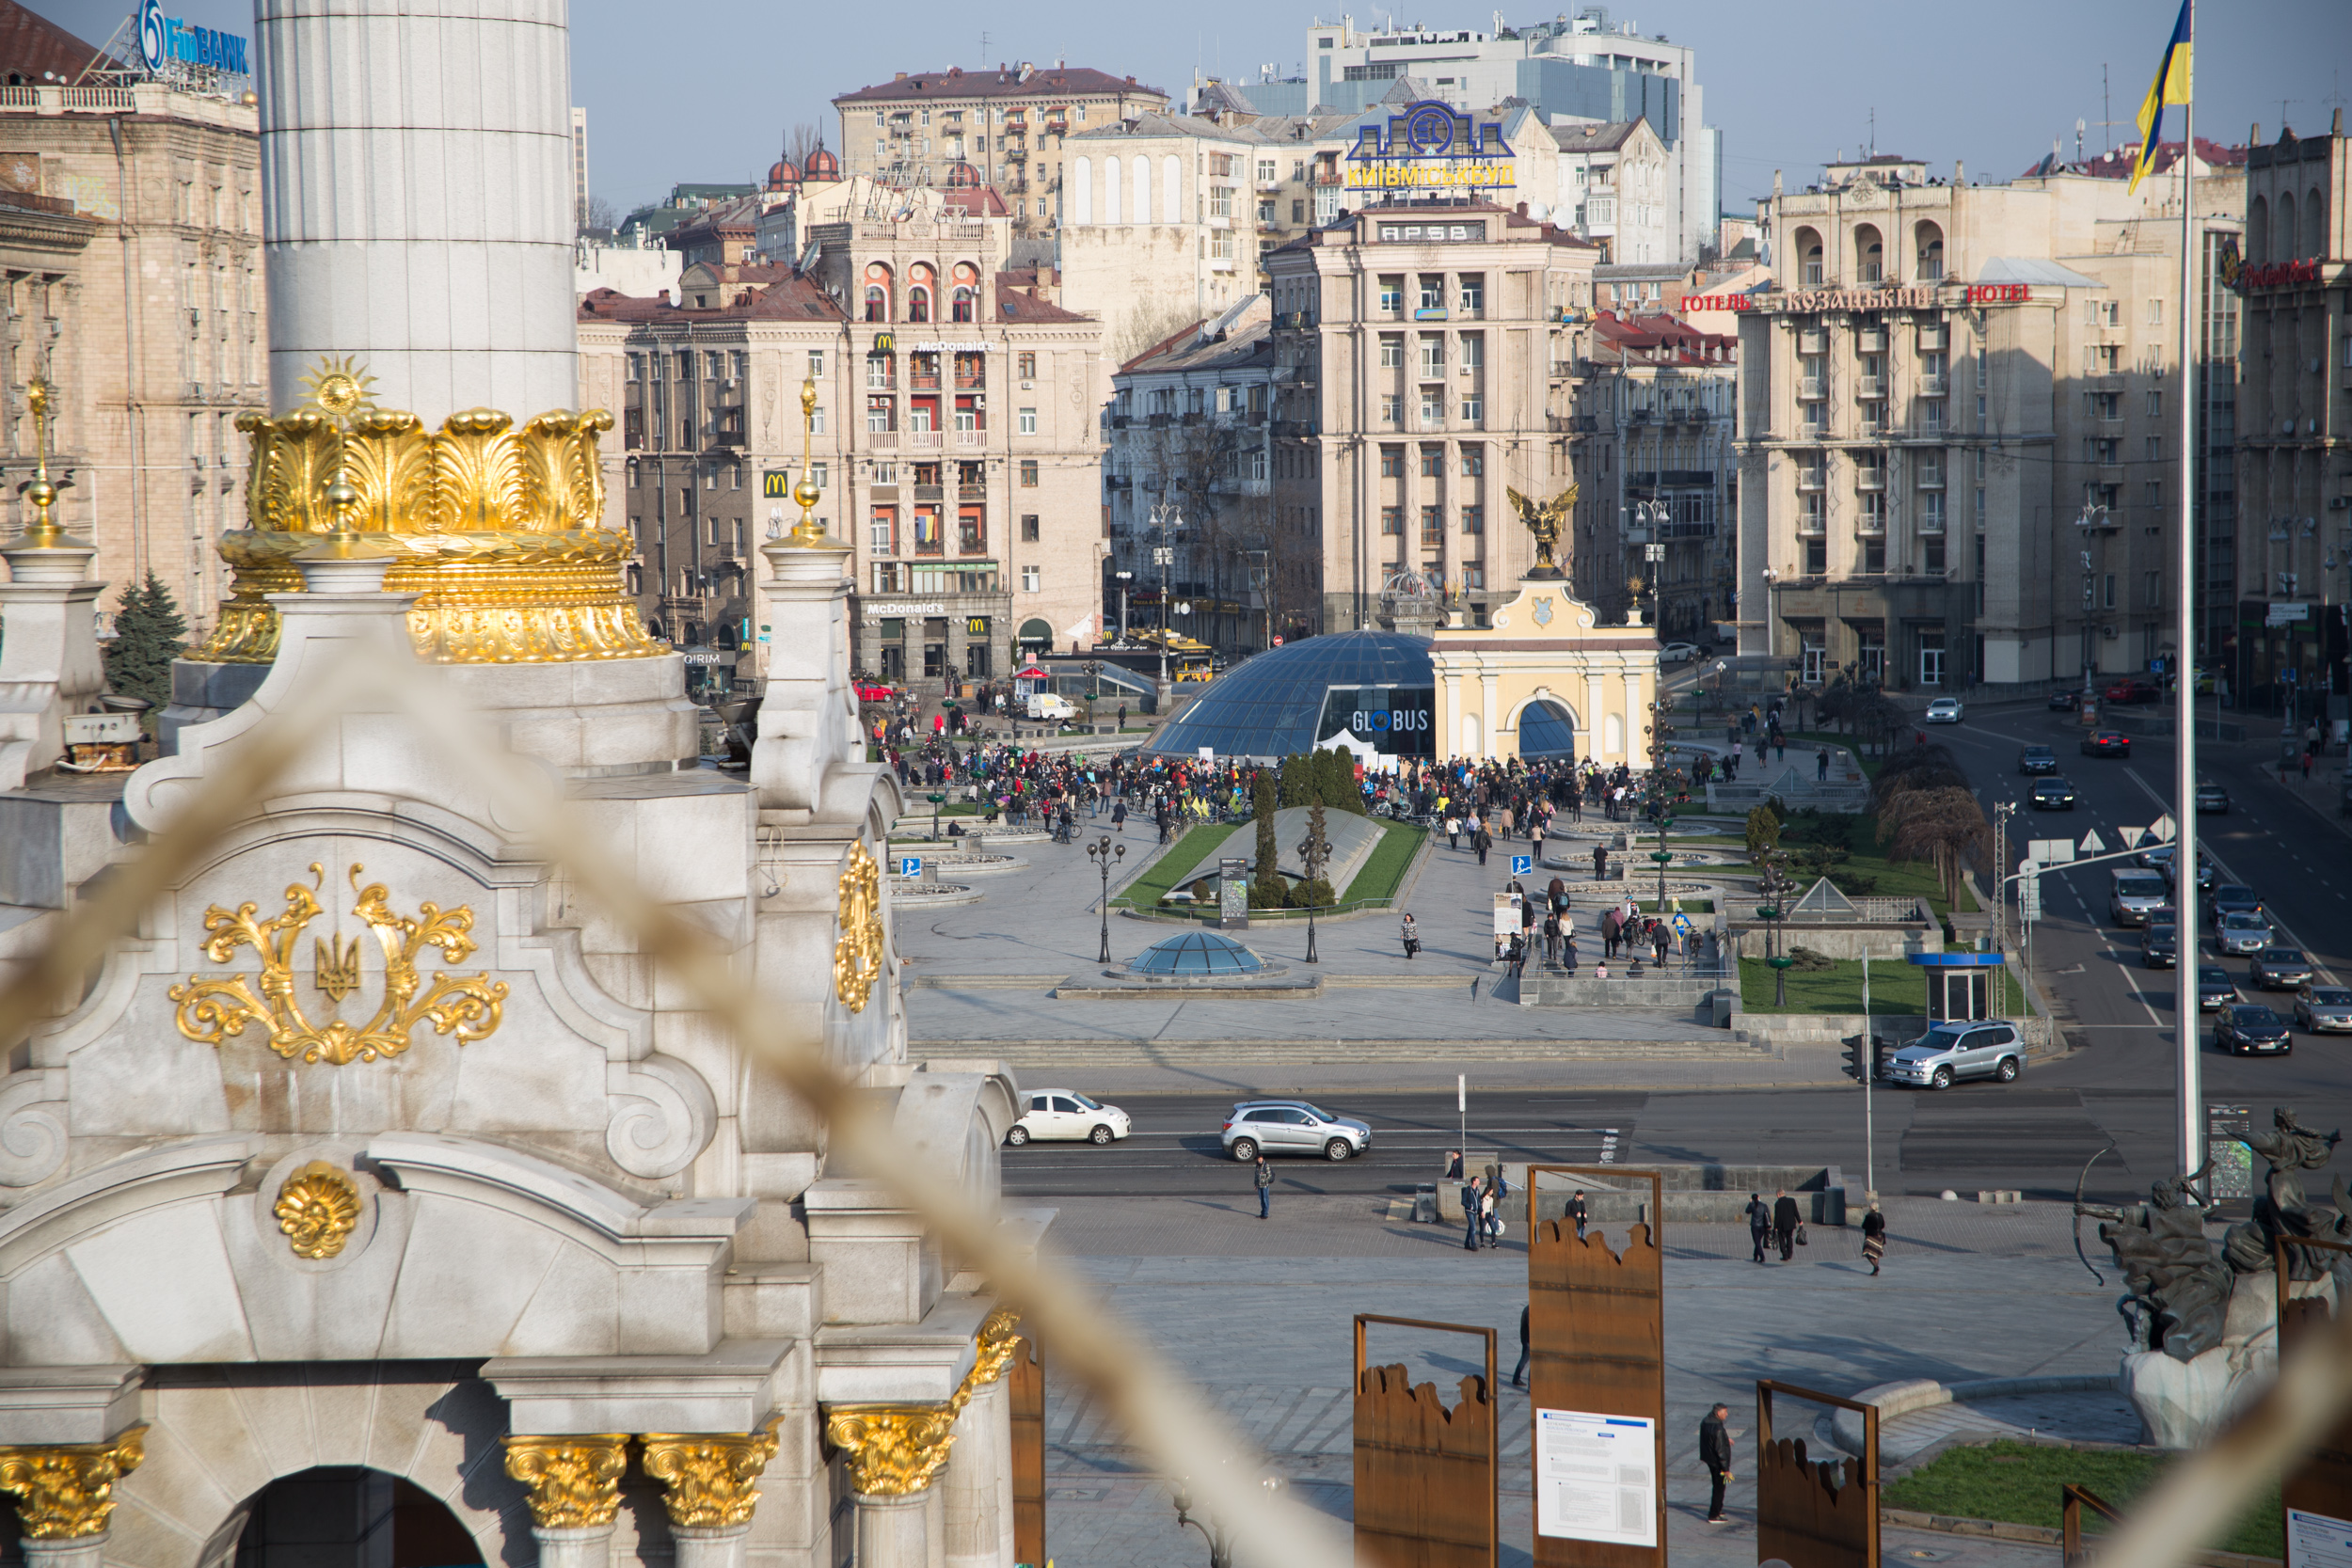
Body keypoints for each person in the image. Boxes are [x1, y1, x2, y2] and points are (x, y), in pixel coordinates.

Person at [1701, 1403, 1734, 1523]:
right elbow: (1721, 1451)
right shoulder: (1718, 1428)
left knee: (1717, 1486)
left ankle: (1717, 1508)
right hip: (1717, 1462)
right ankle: (1714, 1514)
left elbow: (1711, 1437)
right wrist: (1726, 1469)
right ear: (1718, 1413)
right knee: (1719, 1488)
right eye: (1725, 1412)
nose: (1727, 1414)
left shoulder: (1706, 1421)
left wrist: (1725, 1438)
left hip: (1709, 1459)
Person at [1772, 1188, 1801, 1261]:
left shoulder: (1778, 1204)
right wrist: (1800, 1221)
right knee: (1789, 1238)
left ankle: (1785, 1255)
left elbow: (1777, 1217)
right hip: (1791, 1224)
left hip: (1782, 1225)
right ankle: (1790, 1253)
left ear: (1778, 1195)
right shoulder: (1792, 1201)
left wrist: (1775, 1227)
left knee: (1782, 1239)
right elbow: (1795, 1212)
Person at [1745, 1192, 1771, 1265]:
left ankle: (1762, 1257)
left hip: (1755, 1226)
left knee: (1757, 1242)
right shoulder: (1764, 1205)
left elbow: (1747, 1211)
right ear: (1758, 1197)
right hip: (1762, 1226)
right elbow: (1767, 1215)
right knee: (1758, 1241)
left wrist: (1750, 1203)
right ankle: (1755, 1256)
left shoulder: (1752, 1205)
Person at [1862, 1203, 1887, 1275]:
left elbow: (1864, 1226)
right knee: (1876, 1254)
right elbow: (1883, 1225)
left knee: (1867, 1253)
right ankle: (1875, 1270)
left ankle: (1876, 1267)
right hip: (1879, 1236)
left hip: (1871, 1236)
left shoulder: (1868, 1216)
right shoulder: (1880, 1215)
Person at [1462, 1175, 1485, 1251]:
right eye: (1477, 1180)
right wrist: (1470, 1206)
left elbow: (1478, 1202)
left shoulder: (1477, 1191)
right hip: (1469, 1211)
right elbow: (1463, 1201)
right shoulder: (1468, 1190)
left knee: (1471, 1227)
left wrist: (1481, 1211)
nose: (1479, 1182)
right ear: (1473, 1181)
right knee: (1473, 1227)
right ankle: (1473, 1244)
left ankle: (1466, 1243)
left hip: (1475, 1212)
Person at [1512, 1304, 1530, 1388]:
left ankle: (1516, 1377)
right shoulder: (1530, 1311)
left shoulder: (1527, 1308)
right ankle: (1516, 1378)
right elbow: (1531, 1326)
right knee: (1525, 1360)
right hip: (1528, 1340)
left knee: (1524, 1359)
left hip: (1525, 1338)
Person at [1254, 1155, 1274, 1220]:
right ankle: (1262, 1213)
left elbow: (1269, 1176)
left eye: (1261, 1159)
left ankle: (1265, 1214)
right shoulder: (1257, 1166)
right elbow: (1256, 1176)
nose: (1260, 1160)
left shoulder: (1266, 1166)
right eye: (1259, 1159)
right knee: (1261, 1199)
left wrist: (1264, 1181)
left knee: (1265, 1199)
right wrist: (1255, 1184)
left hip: (1265, 1186)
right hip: (1259, 1186)